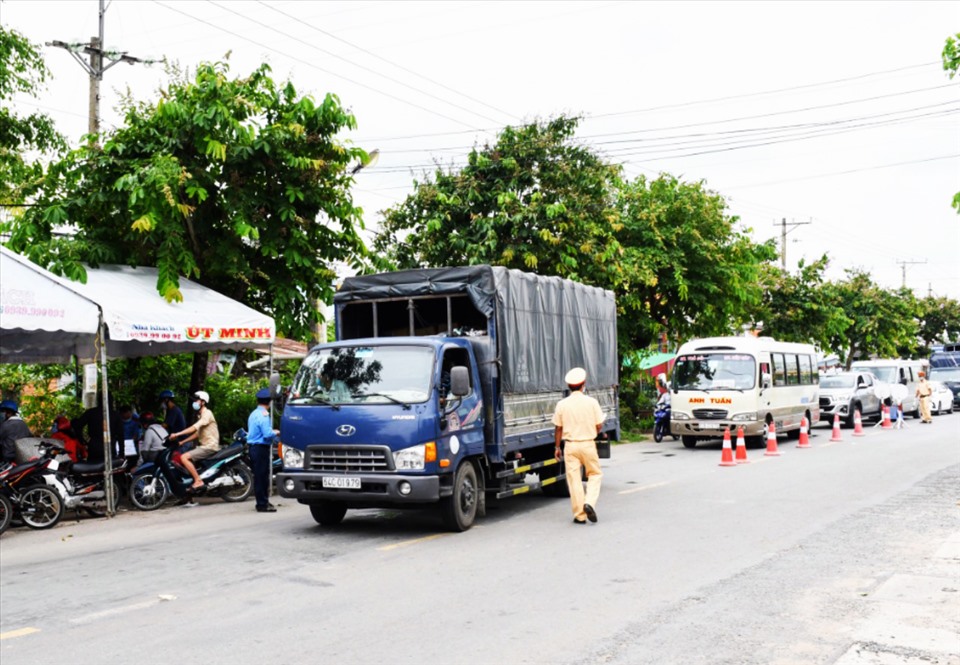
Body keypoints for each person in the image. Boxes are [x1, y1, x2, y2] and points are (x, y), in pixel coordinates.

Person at [552, 367, 605, 525]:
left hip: (570, 446)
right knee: (595, 474)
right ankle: (589, 502)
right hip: (588, 444)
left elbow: (558, 428)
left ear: (569, 386)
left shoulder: (562, 404)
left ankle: (580, 515)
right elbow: (599, 425)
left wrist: (557, 448)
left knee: (574, 480)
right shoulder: (592, 402)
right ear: (583, 384)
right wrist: (592, 429)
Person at [168, 391, 219, 493]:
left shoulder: (207, 413)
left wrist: (177, 434)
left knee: (184, 457)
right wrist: (182, 442)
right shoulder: (201, 415)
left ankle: (198, 480)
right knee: (187, 461)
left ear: (203, 402)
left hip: (209, 446)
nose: (194, 402)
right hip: (204, 446)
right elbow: (197, 434)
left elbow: (193, 428)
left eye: (197, 400)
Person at [247, 388, 279, 513]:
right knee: (262, 477)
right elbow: (266, 434)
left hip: (254, 448)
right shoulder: (264, 415)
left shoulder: (254, 413)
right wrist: (275, 432)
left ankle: (263, 501)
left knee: (259, 476)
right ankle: (262, 504)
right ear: (269, 402)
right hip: (260, 448)